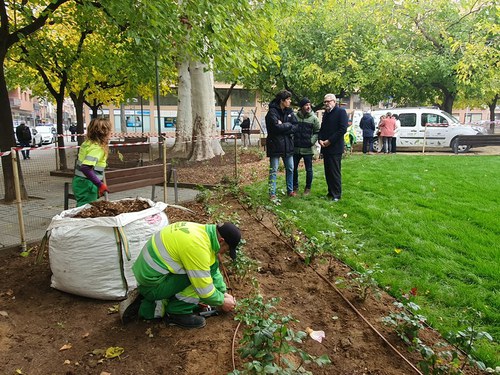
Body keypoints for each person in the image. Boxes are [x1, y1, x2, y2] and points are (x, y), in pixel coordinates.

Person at [120, 221, 241, 328]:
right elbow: (204, 291)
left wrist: (222, 292)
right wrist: (221, 302)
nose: (224, 253)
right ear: (221, 241)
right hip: (152, 285)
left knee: (200, 272)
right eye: (226, 250)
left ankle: (158, 298)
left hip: (150, 277)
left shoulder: (202, 233)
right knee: (196, 280)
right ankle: (177, 313)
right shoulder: (197, 247)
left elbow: (212, 267)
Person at [265, 90, 298, 199]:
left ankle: (290, 190)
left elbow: (295, 127)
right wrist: (288, 126)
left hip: (288, 146)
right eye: (288, 99)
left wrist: (284, 125)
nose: (290, 101)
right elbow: (274, 128)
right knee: (273, 170)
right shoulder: (272, 112)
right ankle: (272, 193)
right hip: (275, 145)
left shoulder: (290, 112)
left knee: (290, 168)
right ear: (282, 101)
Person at [71, 117, 112, 207]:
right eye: (109, 130)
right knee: (85, 211)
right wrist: (100, 184)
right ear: (104, 133)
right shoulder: (97, 148)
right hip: (88, 184)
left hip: (80, 182)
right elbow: (85, 167)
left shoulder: (87, 143)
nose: (111, 133)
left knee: (83, 208)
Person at [318, 94, 348, 201]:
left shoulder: (341, 112)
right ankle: (330, 192)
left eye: (328, 101)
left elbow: (343, 129)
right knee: (328, 172)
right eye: (325, 102)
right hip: (325, 147)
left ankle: (336, 194)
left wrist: (330, 141)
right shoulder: (326, 114)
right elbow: (322, 129)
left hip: (335, 147)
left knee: (335, 172)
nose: (326, 103)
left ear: (334, 102)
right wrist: (320, 139)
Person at [293, 97, 320, 196]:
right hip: (296, 148)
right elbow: (291, 129)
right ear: (302, 107)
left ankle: (308, 188)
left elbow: (317, 132)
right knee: (293, 168)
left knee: (309, 169)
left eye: (309, 104)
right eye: (306, 105)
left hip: (308, 149)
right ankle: (295, 187)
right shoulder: (295, 117)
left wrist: (311, 141)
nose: (308, 107)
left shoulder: (314, 118)